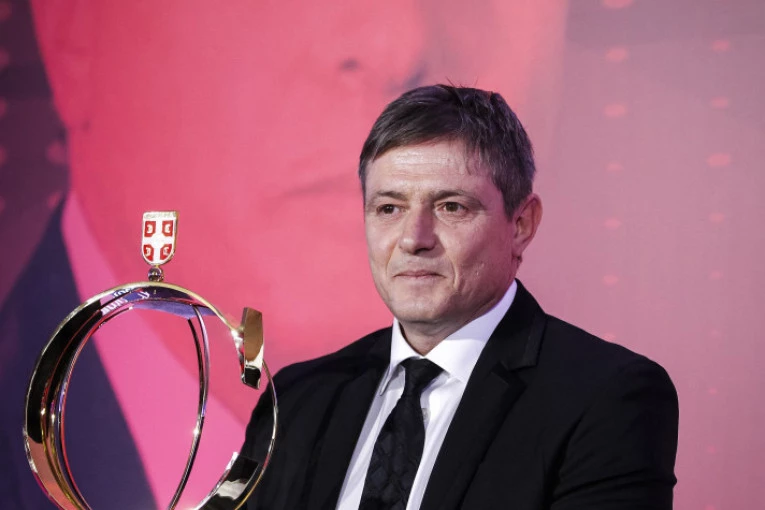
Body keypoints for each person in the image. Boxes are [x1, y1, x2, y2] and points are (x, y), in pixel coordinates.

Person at [241, 84, 679, 510]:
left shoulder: (606, 396)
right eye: (389, 208)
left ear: (522, 225)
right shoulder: (296, 399)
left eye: (451, 206)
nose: (414, 239)